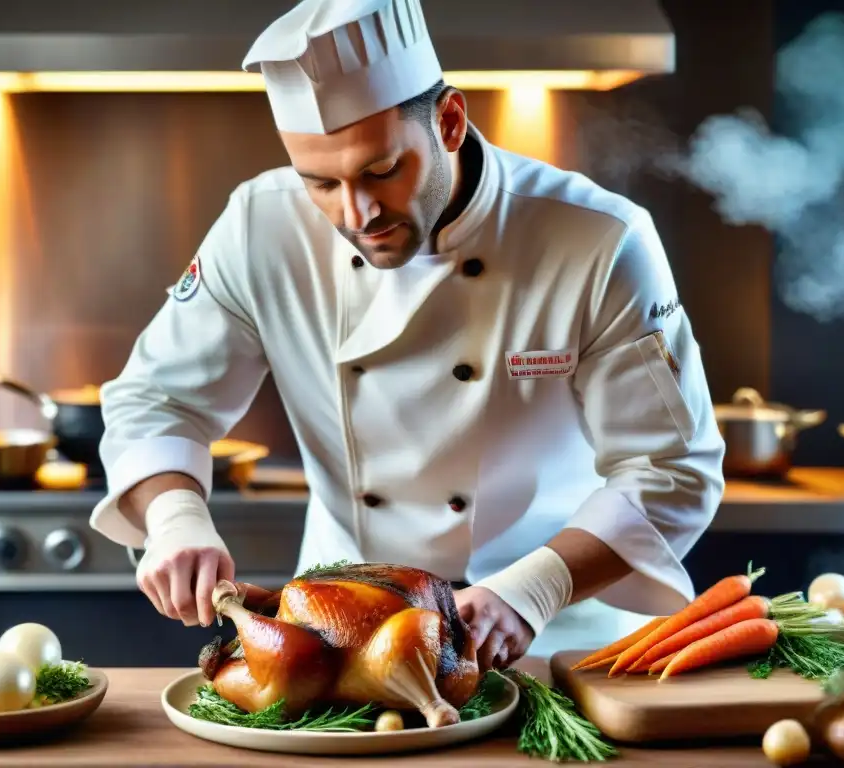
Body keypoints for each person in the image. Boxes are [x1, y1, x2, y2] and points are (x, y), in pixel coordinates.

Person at [89, 0, 725, 670]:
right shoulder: (259, 227)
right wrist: (174, 520)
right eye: (321, 183)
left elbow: (671, 468)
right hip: (338, 632)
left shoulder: (598, 240)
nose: (356, 213)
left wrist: (534, 590)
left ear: (450, 121)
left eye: (382, 171)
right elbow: (156, 400)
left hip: (558, 627)